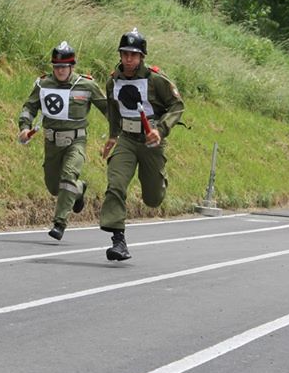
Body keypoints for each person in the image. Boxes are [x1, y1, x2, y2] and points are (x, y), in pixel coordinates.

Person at [99, 29, 185, 261]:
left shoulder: (156, 80)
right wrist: (112, 137)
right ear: (120, 55)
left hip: (151, 142)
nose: (129, 59)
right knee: (115, 184)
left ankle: (160, 180)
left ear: (141, 57)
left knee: (153, 198)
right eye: (125, 54)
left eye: (134, 55)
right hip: (126, 139)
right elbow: (113, 110)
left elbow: (177, 106)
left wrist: (161, 129)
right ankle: (118, 240)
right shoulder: (112, 81)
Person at [18, 42, 107, 240]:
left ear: (72, 66)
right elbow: (29, 107)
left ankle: (59, 223)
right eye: (56, 66)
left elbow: (108, 109)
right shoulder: (43, 84)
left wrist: (116, 133)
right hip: (51, 143)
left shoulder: (87, 85)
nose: (60, 70)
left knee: (68, 177)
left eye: (64, 67)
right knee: (54, 187)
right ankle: (79, 189)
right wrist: (24, 127)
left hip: (76, 141)